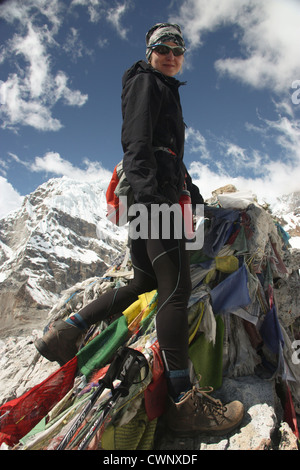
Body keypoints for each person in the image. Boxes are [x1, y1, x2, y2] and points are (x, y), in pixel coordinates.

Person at [35, 23, 244, 435]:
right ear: (150, 52)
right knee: (176, 290)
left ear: (182, 55)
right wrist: (153, 198)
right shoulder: (147, 82)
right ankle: (183, 401)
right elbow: (136, 141)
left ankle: (65, 333)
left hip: (148, 192)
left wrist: (195, 194)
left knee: (146, 279)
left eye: (176, 49)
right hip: (152, 196)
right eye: (162, 48)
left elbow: (167, 155)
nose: (170, 55)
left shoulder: (160, 87)